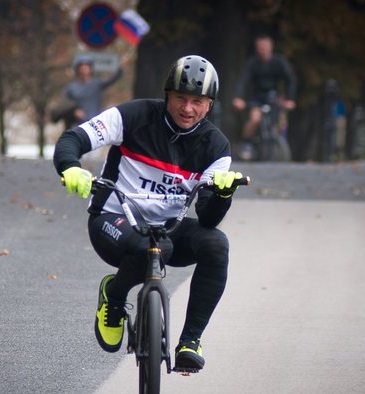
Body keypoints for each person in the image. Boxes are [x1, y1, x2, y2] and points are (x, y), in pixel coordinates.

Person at [53, 55, 245, 371]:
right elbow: (74, 138)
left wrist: (223, 194)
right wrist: (70, 167)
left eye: (197, 101)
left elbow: (207, 217)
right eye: (181, 98)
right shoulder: (133, 116)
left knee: (216, 244)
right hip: (113, 219)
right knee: (157, 247)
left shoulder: (215, 147)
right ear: (167, 95)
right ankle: (114, 296)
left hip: (167, 228)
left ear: (209, 105)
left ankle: (190, 341)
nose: (188, 108)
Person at [232, 34, 297, 142]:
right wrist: (239, 97)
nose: (262, 49)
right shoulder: (252, 63)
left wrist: (290, 99)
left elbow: (290, 79)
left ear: (271, 47)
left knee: (281, 123)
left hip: (274, 98)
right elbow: (243, 80)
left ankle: (280, 145)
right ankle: (246, 143)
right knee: (255, 119)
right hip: (256, 99)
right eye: (260, 47)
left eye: (264, 46)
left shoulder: (279, 62)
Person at [62, 55, 125, 128]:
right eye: (81, 66)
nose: (84, 68)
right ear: (78, 69)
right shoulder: (72, 88)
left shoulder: (96, 84)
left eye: (86, 66)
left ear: (90, 69)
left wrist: (121, 68)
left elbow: (111, 80)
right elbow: (64, 105)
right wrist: (73, 111)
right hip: (77, 125)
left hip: (94, 124)